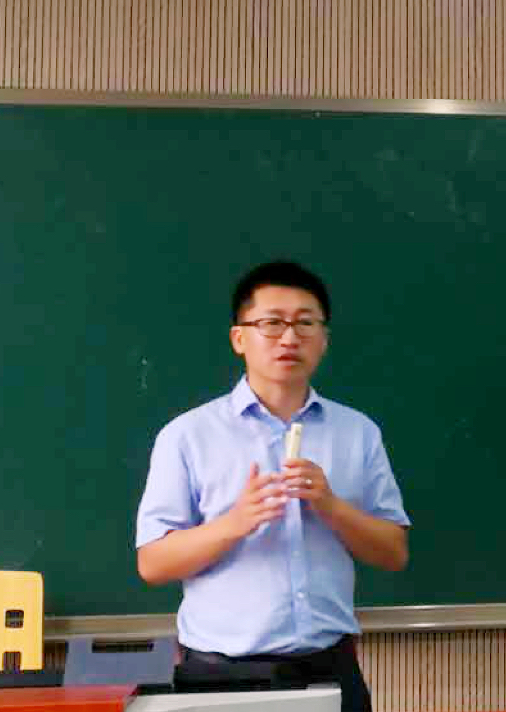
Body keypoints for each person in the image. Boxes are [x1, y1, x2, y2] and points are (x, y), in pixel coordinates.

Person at [135, 261, 409, 712]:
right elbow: (152, 563)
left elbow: (393, 552)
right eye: (272, 323)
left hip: (332, 666)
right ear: (239, 338)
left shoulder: (357, 432)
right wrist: (235, 523)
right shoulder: (187, 435)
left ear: (324, 339)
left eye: (305, 323)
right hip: (222, 674)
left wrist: (331, 506)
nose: (289, 338)